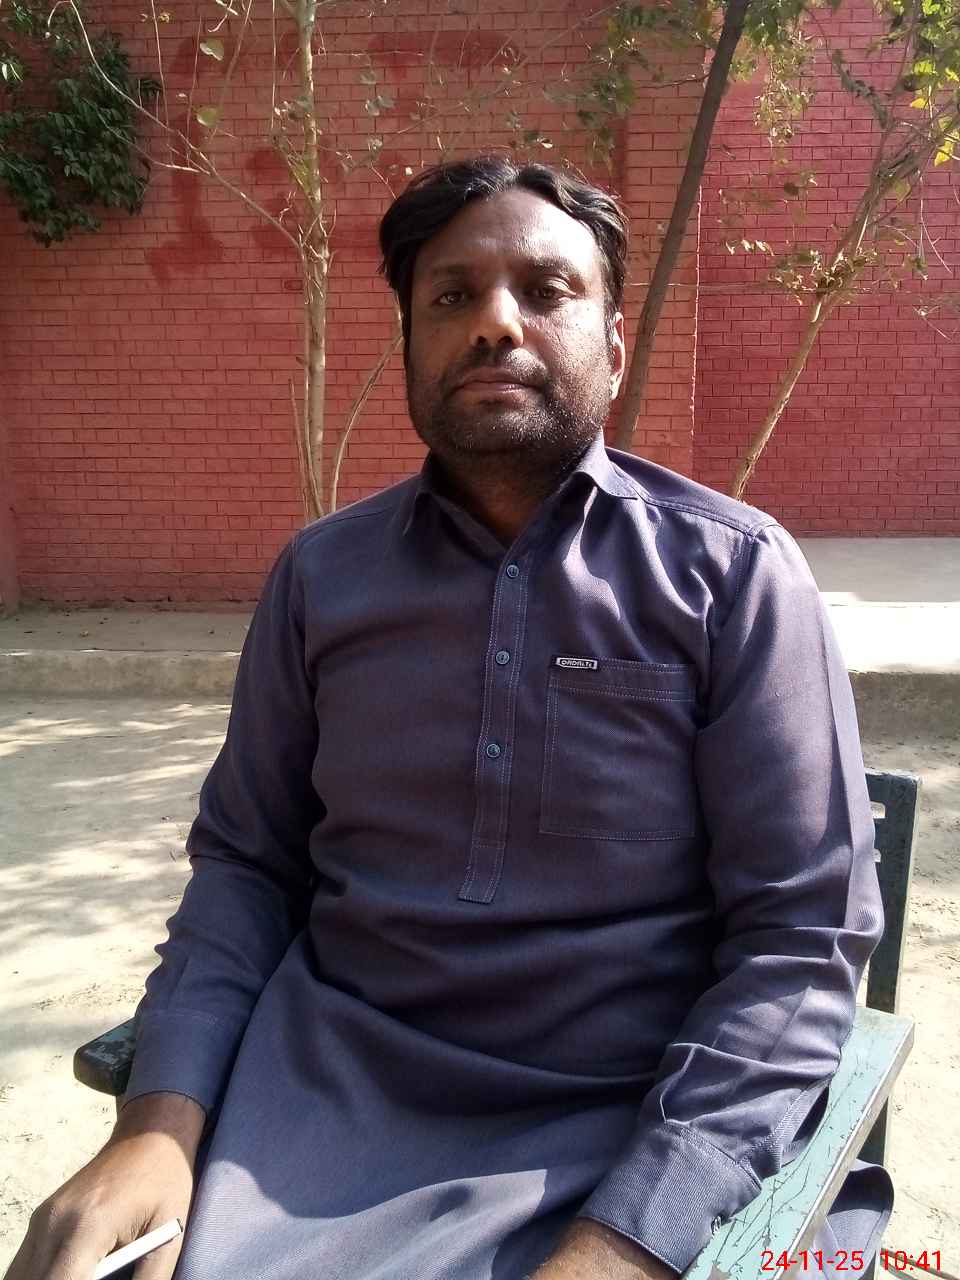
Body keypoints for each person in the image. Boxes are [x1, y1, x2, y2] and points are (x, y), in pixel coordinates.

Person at [7, 156, 889, 1280]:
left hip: (629, 1112)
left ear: (615, 346)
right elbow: (245, 867)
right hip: (320, 1107)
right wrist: (156, 1124)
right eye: (451, 295)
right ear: (411, 346)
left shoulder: (733, 576)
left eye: (547, 290)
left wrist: (628, 1239)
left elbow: (801, 940)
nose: (494, 322)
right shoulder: (322, 578)